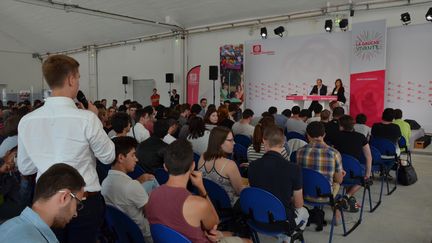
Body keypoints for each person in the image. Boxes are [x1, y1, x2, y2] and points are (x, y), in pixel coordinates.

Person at [17, 54, 115, 243]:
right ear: (70, 79)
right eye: (78, 78)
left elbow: (26, 168)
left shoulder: (27, 121)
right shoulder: (86, 118)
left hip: (46, 203)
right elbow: (108, 156)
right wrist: (95, 120)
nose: (78, 82)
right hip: (83, 202)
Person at [145, 140, 250, 243]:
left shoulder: (151, 195)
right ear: (192, 166)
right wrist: (202, 188)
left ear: (165, 167)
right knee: (248, 241)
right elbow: (213, 223)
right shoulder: (197, 204)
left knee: (228, 234)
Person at [248, 126, 308, 241]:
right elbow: (299, 204)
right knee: (304, 212)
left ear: (264, 141)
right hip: (281, 221)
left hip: (256, 216)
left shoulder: (253, 165)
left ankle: (286, 236)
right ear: (284, 143)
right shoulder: (294, 168)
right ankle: (288, 236)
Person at [0, 163, 85, 243]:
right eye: (77, 204)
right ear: (64, 197)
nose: (75, 214)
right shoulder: (31, 239)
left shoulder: (11, 226)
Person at [101, 137, 155, 242]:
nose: (136, 159)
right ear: (121, 158)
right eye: (133, 155)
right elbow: (152, 214)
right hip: (145, 236)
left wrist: (138, 182)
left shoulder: (105, 183)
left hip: (123, 235)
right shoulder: (131, 186)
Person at [296, 122, 345, 222]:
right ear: (324, 135)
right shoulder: (334, 153)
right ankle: (336, 214)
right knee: (336, 184)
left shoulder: (299, 152)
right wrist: (339, 173)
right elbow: (339, 180)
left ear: (307, 135)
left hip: (303, 194)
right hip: (325, 197)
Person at [197, 126, 247, 206]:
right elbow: (240, 192)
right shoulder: (230, 165)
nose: (234, 143)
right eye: (230, 140)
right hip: (228, 206)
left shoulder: (202, 157)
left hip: (208, 202)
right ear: (219, 143)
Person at [331, 115, 372, 212]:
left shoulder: (335, 136)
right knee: (364, 180)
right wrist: (368, 174)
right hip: (354, 171)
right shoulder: (361, 137)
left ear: (341, 126)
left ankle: (348, 198)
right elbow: (368, 157)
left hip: (337, 172)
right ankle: (347, 196)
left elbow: (333, 153)